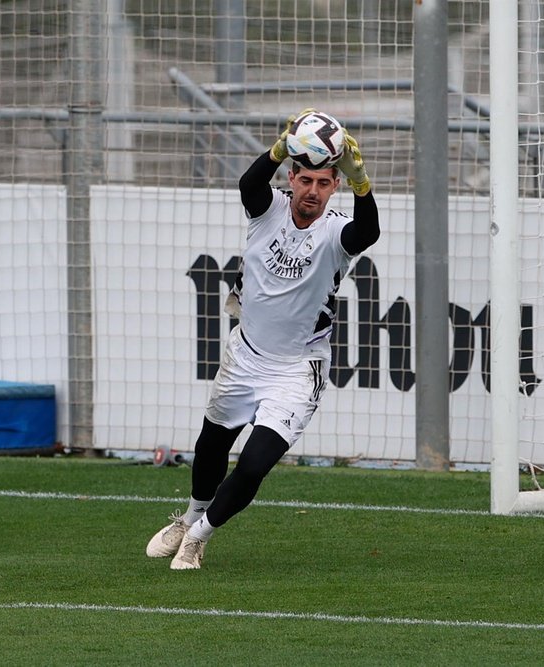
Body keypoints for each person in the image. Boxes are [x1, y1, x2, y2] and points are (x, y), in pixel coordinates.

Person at [146, 110, 379, 570]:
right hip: (246, 355)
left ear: (334, 187)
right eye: (305, 179)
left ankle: (198, 536)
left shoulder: (335, 233)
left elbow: (367, 231)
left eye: (323, 183)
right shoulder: (267, 207)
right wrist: (279, 146)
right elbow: (247, 185)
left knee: (253, 466)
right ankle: (189, 516)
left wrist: (361, 180)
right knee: (210, 446)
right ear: (291, 177)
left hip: (297, 368)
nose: (312, 191)